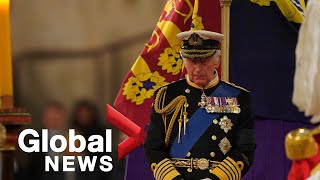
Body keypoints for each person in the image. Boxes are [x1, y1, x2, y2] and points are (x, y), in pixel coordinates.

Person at [144, 30, 256, 180]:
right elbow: (153, 148)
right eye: (192, 61)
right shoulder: (165, 96)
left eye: (204, 61)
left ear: (217, 60)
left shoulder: (239, 97)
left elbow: (245, 149)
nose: (197, 69)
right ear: (183, 59)